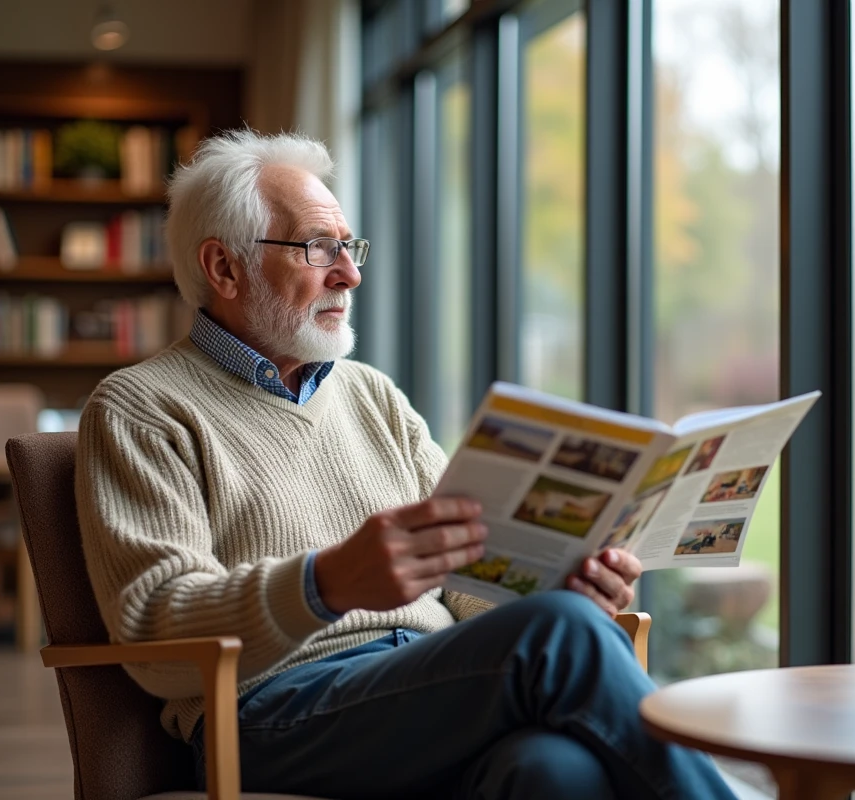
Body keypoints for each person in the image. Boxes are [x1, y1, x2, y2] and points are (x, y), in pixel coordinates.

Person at [74, 129, 736, 800]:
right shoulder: (142, 408)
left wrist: (556, 588)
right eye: (318, 248)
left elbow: (466, 578)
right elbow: (154, 631)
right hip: (270, 714)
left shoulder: (373, 395)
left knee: (553, 768)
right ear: (224, 267)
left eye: (349, 246)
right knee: (559, 636)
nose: (349, 274)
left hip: (426, 688)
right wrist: (324, 583)